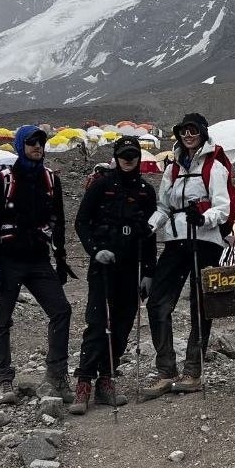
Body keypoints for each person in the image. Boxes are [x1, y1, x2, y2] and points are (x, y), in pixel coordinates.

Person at [0, 125, 74, 404]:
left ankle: (56, 375)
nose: (37, 146)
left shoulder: (50, 179)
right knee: (2, 318)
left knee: (61, 310)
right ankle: (4, 380)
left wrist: (60, 260)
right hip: (8, 259)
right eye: (31, 142)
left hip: (38, 259)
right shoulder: (5, 180)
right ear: (20, 145)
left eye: (41, 142)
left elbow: (58, 221)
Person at [143, 113, 230, 398]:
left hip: (206, 240)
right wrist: (150, 226)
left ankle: (193, 370)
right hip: (176, 239)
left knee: (200, 305)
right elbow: (163, 206)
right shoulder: (172, 169)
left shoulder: (214, 167)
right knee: (158, 302)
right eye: (184, 131)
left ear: (202, 133)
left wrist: (203, 218)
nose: (188, 135)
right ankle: (166, 371)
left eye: (193, 130)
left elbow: (223, 207)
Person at [69, 136, 157, 414]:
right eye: (123, 155)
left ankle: (106, 380)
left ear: (139, 157)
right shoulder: (100, 185)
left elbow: (151, 235)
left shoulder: (146, 191)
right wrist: (95, 251)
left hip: (132, 268)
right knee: (98, 323)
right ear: (116, 157)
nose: (128, 159)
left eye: (132, 154)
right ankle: (84, 383)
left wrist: (149, 272)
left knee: (122, 325)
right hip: (104, 266)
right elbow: (81, 222)